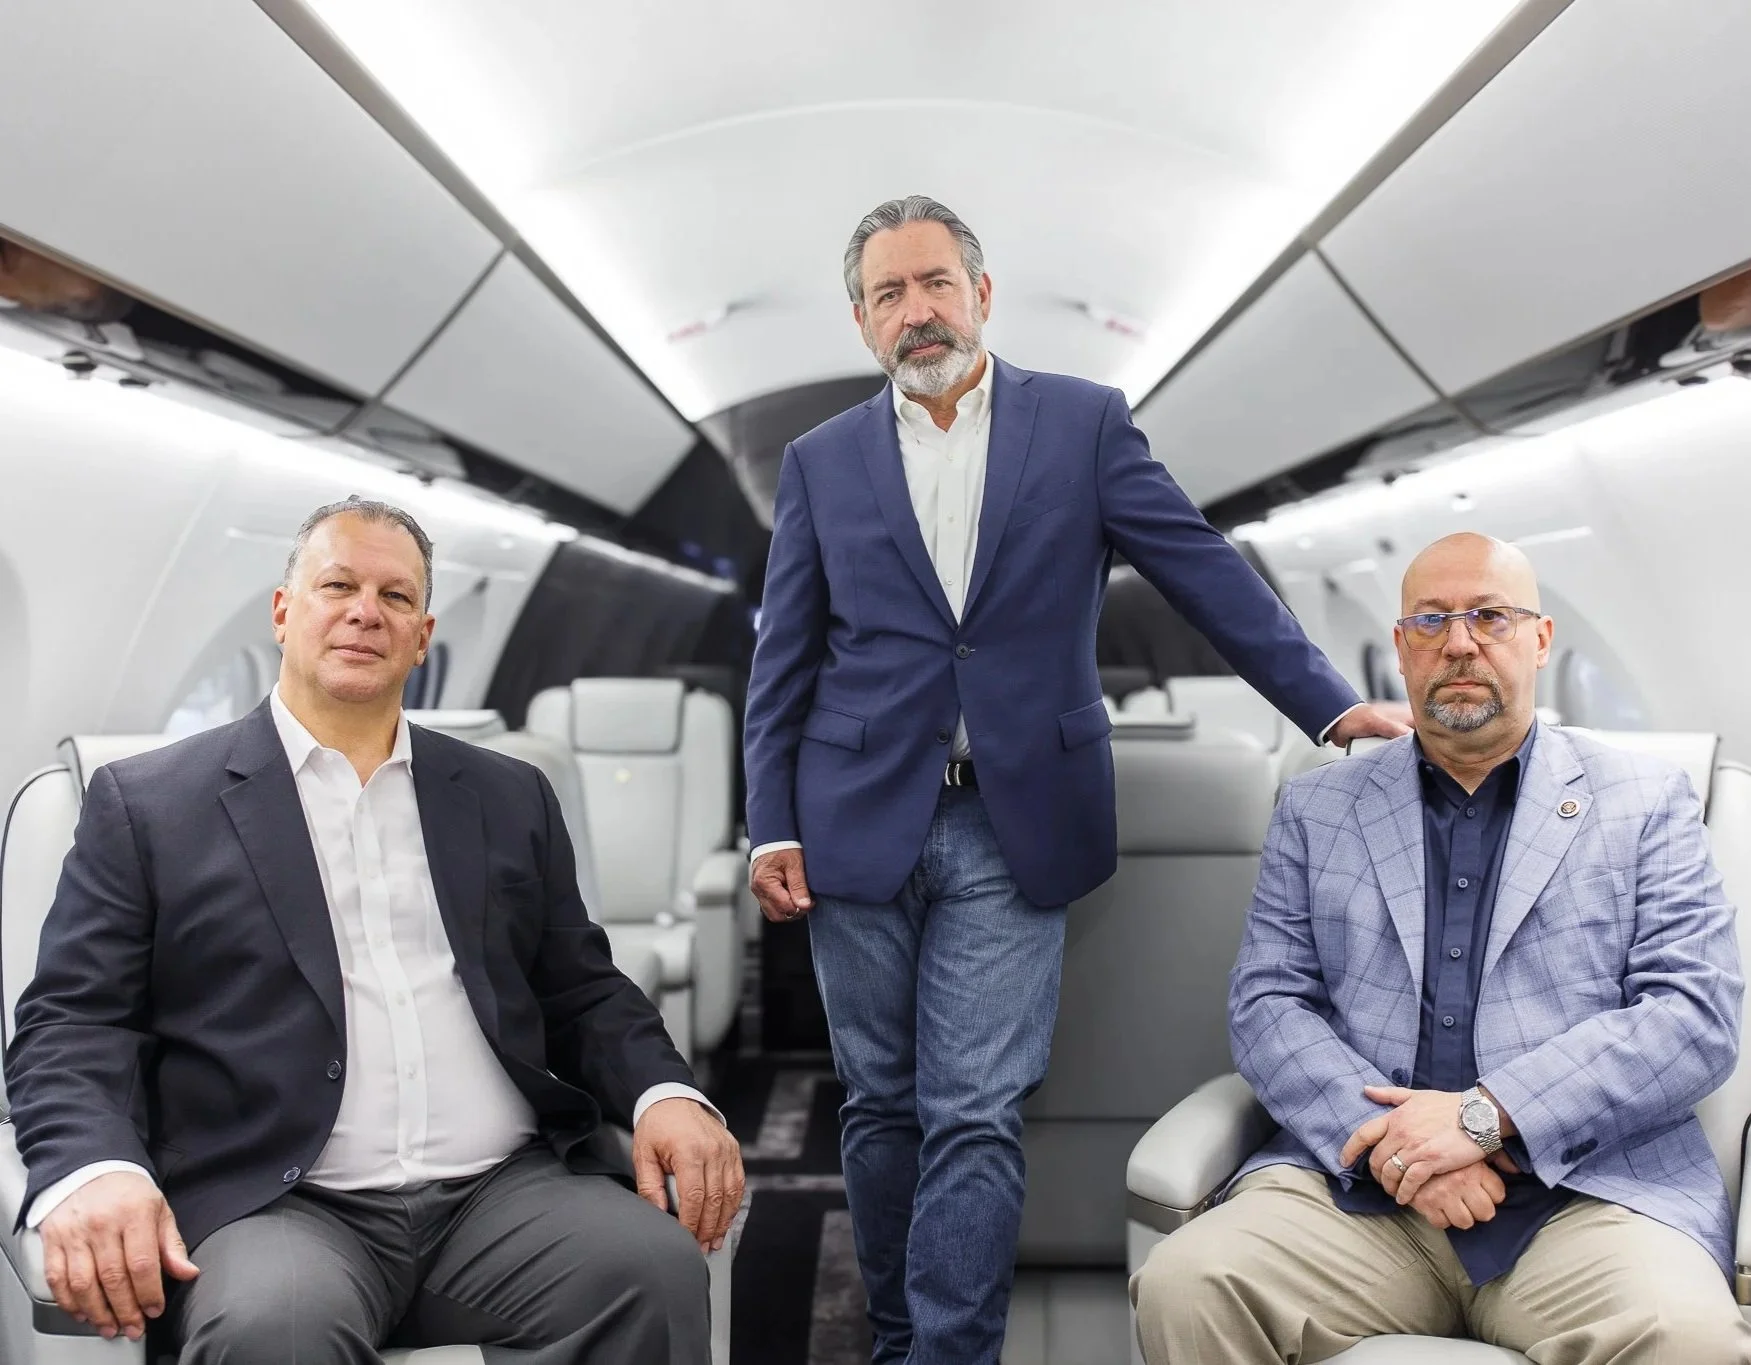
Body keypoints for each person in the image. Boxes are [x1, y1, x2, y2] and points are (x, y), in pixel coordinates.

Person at [741, 194, 1406, 1364]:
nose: (917, 310)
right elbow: (781, 654)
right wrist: (766, 823)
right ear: (861, 322)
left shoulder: (1083, 425)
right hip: (853, 817)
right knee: (880, 1105)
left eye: (935, 283)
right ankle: (898, 1335)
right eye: (889, 293)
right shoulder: (817, 461)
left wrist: (1328, 701)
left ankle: (948, 1355)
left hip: (1013, 819)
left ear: (981, 295)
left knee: (974, 1110)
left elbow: (1199, 565)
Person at [4, 497, 744, 1365]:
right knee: (270, 1329)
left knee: (649, 1271)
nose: (365, 610)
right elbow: (72, 1022)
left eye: (396, 597)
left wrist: (666, 1094)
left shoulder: (507, 795)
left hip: (499, 1191)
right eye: (338, 584)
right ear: (284, 612)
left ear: (423, 635)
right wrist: (97, 1169)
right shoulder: (150, 804)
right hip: (278, 1201)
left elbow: (581, 987)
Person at [1131, 532, 1749, 1362]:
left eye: (1489, 616)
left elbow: (1693, 1015)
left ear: (1539, 639)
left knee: (1688, 1337)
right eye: (1430, 620)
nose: (1457, 642)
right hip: (1362, 1198)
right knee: (1190, 1281)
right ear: (1399, 646)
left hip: (1585, 1198)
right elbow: (1268, 1006)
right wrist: (1398, 1147)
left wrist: (1482, 1118)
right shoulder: (1318, 808)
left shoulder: (1641, 802)